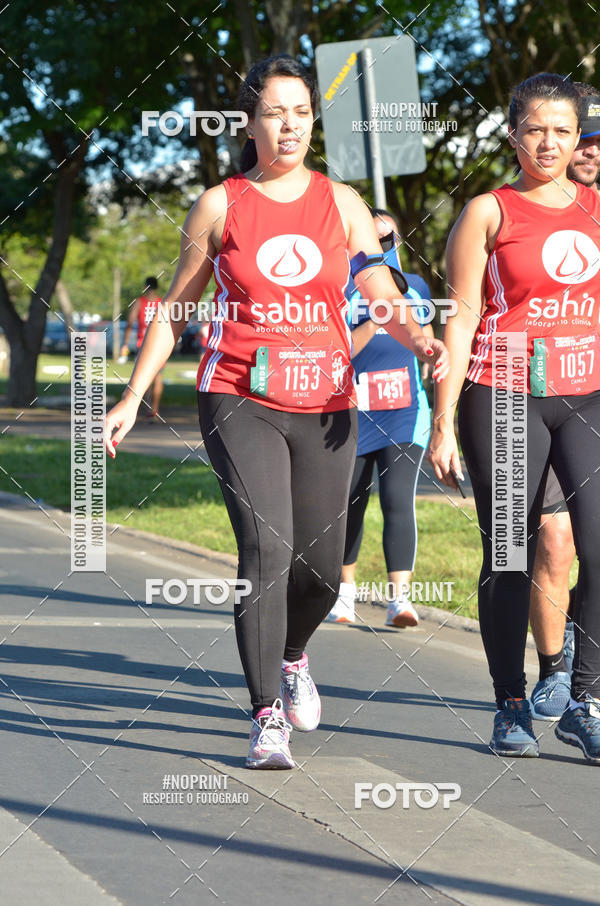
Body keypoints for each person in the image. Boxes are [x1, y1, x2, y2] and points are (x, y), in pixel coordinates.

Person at [105, 55, 449, 770]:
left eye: (300, 112)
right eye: (274, 112)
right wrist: (133, 396)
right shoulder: (221, 203)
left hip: (326, 400)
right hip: (240, 393)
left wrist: (419, 335)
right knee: (266, 548)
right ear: (251, 121)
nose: (289, 125)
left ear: (311, 121)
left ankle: (293, 656)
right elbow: (178, 309)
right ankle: (266, 715)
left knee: (321, 570)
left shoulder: (342, 202)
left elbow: (380, 289)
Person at [428, 72, 600, 763]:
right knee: (509, 553)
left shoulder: (595, 208)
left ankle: (583, 698)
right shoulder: (488, 212)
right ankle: (509, 702)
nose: (549, 142)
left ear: (578, 136)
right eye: (536, 129)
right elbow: (463, 315)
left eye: (563, 130)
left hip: (586, 392)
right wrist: (442, 418)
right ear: (513, 136)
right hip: (500, 392)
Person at [528, 86, 600, 720]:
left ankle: (585, 665)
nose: (588, 151)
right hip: (536, 399)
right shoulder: (516, 210)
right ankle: (554, 674)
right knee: (553, 542)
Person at [327, 208, 434, 627]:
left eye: (387, 241)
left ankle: (400, 601)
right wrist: (376, 317)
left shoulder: (418, 286)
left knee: (397, 500)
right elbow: (340, 352)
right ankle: (344, 597)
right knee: (349, 505)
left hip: (406, 410)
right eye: (372, 242)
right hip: (351, 413)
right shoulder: (339, 291)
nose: (381, 249)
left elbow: (424, 339)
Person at [121, 276, 164, 420]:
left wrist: (125, 343)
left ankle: (147, 406)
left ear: (145, 286)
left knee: (145, 376)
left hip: (143, 343)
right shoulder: (162, 302)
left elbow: (130, 322)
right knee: (158, 377)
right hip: (159, 344)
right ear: (157, 287)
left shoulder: (139, 302)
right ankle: (155, 409)